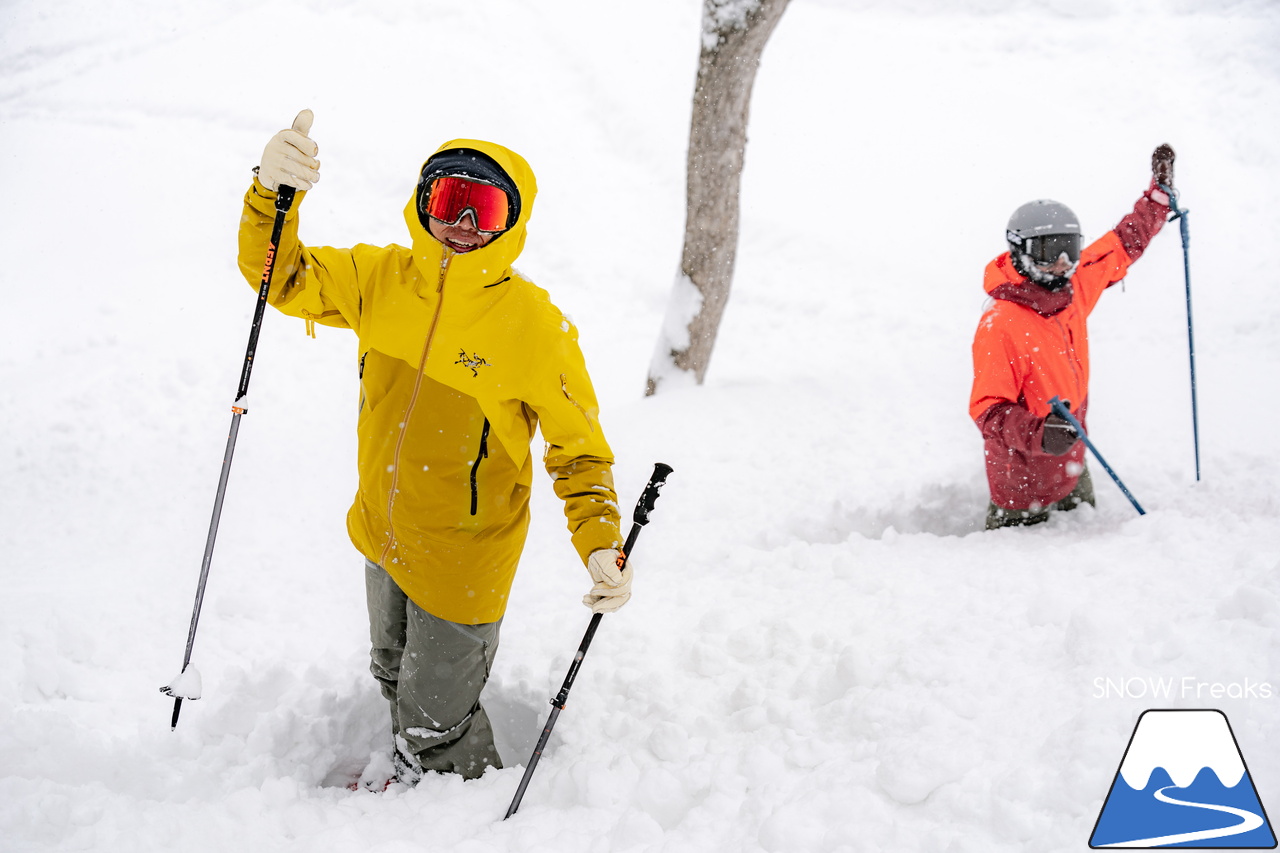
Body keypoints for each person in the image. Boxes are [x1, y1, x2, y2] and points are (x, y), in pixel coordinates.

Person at [238, 110, 632, 784]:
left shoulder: (535, 329)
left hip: (465, 557)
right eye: (451, 201)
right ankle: (406, 765)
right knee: (392, 669)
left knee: (436, 716)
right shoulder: (379, 280)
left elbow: (581, 453)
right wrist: (272, 195)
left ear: (513, 222)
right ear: (423, 204)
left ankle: (454, 804)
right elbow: (282, 275)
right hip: (383, 530)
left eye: (485, 209)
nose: (465, 226)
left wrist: (599, 541)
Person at [970, 144, 1175, 530]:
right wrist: (1040, 434)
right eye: (1049, 251)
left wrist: (1158, 199)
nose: (1063, 263)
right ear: (1020, 253)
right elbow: (988, 411)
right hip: (1022, 483)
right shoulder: (1001, 323)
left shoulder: (1072, 290)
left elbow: (1120, 245)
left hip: (1072, 462)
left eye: (1070, 249)